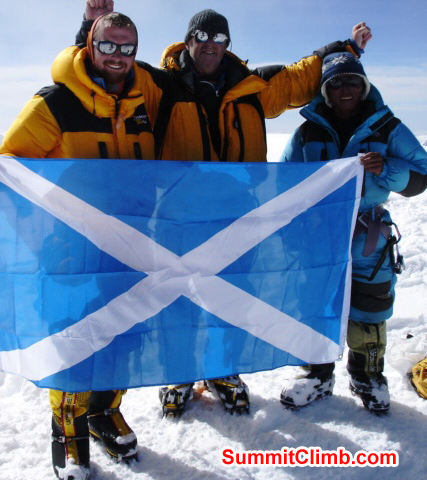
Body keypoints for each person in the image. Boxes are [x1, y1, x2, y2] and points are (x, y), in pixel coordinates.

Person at [76, 0, 372, 419]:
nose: (210, 45)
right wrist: (91, 27)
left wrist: (348, 48)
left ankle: (223, 371)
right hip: (181, 219)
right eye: (202, 36)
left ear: (228, 44)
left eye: (219, 38)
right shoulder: (161, 84)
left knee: (232, 299)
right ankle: (180, 375)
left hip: (238, 221)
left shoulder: (252, 87)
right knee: (181, 302)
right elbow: (105, 66)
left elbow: (297, 78)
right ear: (189, 39)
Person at [0, 11, 164, 480]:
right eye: (109, 45)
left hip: (135, 246)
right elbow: (12, 163)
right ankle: (69, 436)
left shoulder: (146, 99)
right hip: (74, 248)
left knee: (125, 335)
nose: (118, 56)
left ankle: (104, 412)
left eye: (128, 48)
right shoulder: (55, 103)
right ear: (89, 46)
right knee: (76, 340)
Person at [280, 52, 427, 413]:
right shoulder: (307, 132)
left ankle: (367, 375)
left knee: (370, 303)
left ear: (364, 85)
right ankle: (316, 373)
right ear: (326, 90)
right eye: (336, 82)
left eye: (352, 81)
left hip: (368, 236)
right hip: (319, 234)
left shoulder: (388, 128)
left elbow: (422, 175)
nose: (345, 88)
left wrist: (387, 169)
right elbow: (283, 180)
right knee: (315, 303)